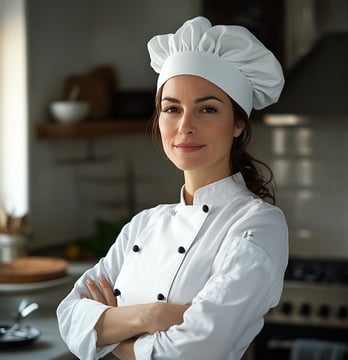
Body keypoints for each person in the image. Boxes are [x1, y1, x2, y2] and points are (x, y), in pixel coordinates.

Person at [57, 16, 288, 360]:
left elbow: (193, 350)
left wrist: (109, 336)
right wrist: (151, 316)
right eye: (171, 108)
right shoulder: (144, 224)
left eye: (207, 109)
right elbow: (69, 315)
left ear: (239, 123)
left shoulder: (257, 225)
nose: (185, 126)